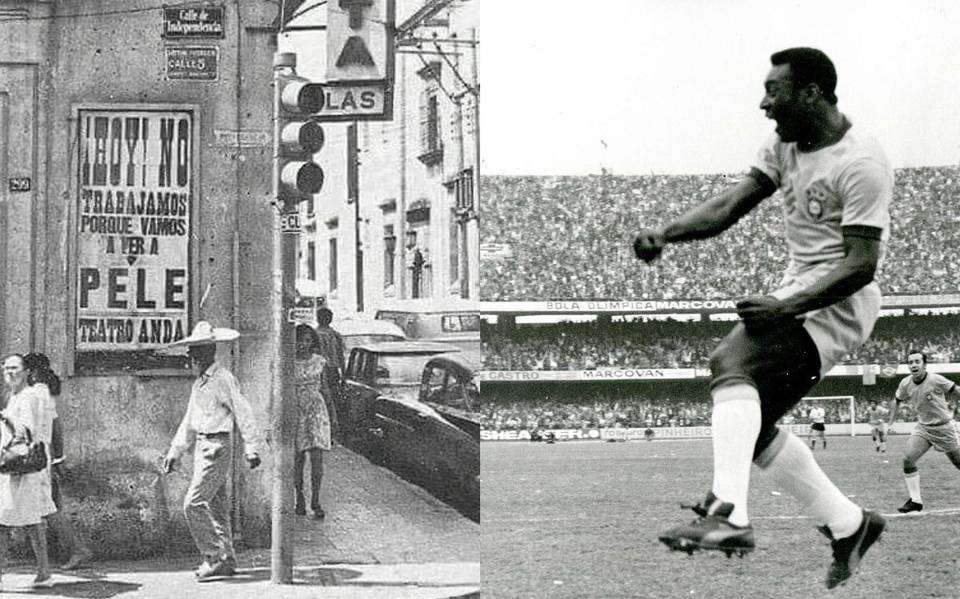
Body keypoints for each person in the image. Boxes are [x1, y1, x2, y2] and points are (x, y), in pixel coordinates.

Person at [635, 48, 890, 588]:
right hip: (797, 292)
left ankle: (729, 514)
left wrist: (786, 308)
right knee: (748, 427)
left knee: (731, 361)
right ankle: (850, 525)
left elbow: (862, 264)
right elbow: (732, 203)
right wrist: (667, 233)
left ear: (811, 92)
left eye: (775, 91)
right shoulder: (784, 146)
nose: (764, 103)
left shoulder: (861, 161)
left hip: (837, 302)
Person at [161, 322, 265, 582]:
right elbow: (190, 420)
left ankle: (213, 556)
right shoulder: (200, 384)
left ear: (205, 354)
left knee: (193, 504)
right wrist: (175, 452)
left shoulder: (222, 379)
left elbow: (243, 412)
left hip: (217, 446)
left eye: (194, 354)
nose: (190, 359)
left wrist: (252, 447)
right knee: (217, 507)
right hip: (203, 445)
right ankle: (227, 558)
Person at [22, 353, 93, 571]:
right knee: (44, 508)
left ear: (31, 371)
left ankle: (77, 550)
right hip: (41, 459)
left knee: (45, 508)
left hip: (34, 460)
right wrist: (59, 458)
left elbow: (40, 429)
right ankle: (72, 551)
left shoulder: (36, 393)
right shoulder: (42, 393)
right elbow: (56, 428)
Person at [0, 354, 57, 588]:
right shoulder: (14, 396)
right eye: (6, 369)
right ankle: (44, 572)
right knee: (31, 521)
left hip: (21, 466)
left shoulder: (29, 396)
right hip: (17, 468)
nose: (10, 373)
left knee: (11, 521)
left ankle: (42, 572)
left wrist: (5, 427)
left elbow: (27, 431)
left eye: (14, 368)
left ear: (26, 372)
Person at [888, 351, 960, 513]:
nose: (913, 365)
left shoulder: (936, 379)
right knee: (908, 459)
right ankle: (916, 501)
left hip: (944, 428)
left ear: (924, 364)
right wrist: (890, 423)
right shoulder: (905, 383)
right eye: (910, 362)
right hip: (924, 428)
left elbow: (956, 390)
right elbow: (897, 400)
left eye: (917, 361)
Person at [293, 324, 332, 519]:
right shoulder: (288, 363)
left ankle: (315, 500)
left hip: (316, 411)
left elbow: (324, 388)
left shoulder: (319, 361)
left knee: (317, 460)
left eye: (307, 340)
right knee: (298, 460)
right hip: (297, 411)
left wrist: (333, 416)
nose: (303, 344)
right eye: (300, 340)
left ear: (312, 343)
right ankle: (299, 499)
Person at [314, 307, 345, 437]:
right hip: (332, 371)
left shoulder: (315, 334)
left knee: (323, 400)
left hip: (321, 370)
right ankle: (332, 430)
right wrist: (343, 373)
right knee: (332, 400)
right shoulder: (335, 334)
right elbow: (341, 355)